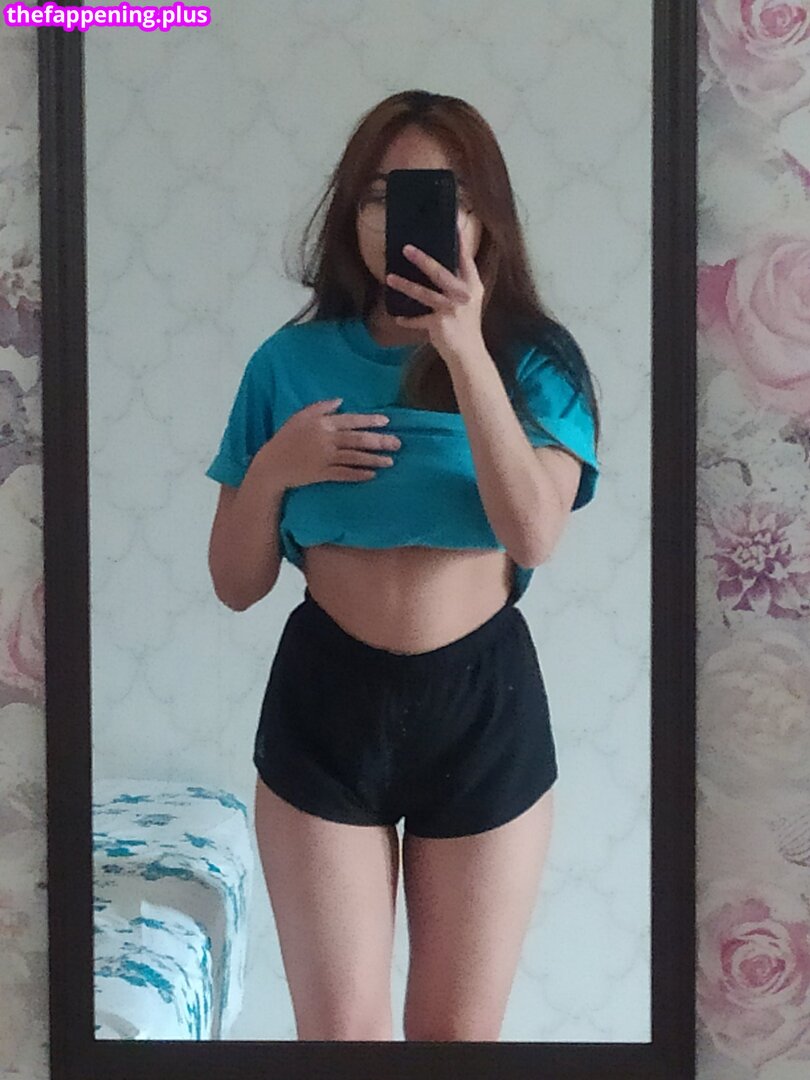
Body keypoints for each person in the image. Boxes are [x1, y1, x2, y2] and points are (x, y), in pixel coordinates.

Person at [206, 89, 601, 1043]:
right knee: (341, 1039)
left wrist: (465, 352)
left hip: (482, 704)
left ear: (484, 217)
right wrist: (276, 468)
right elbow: (235, 583)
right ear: (353, 215)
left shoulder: (537, 364)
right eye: (383, 194)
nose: (407, 217)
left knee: (457, 1042)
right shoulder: (287, 363)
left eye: (442, 195)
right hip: (325, 700)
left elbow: (534, 535)